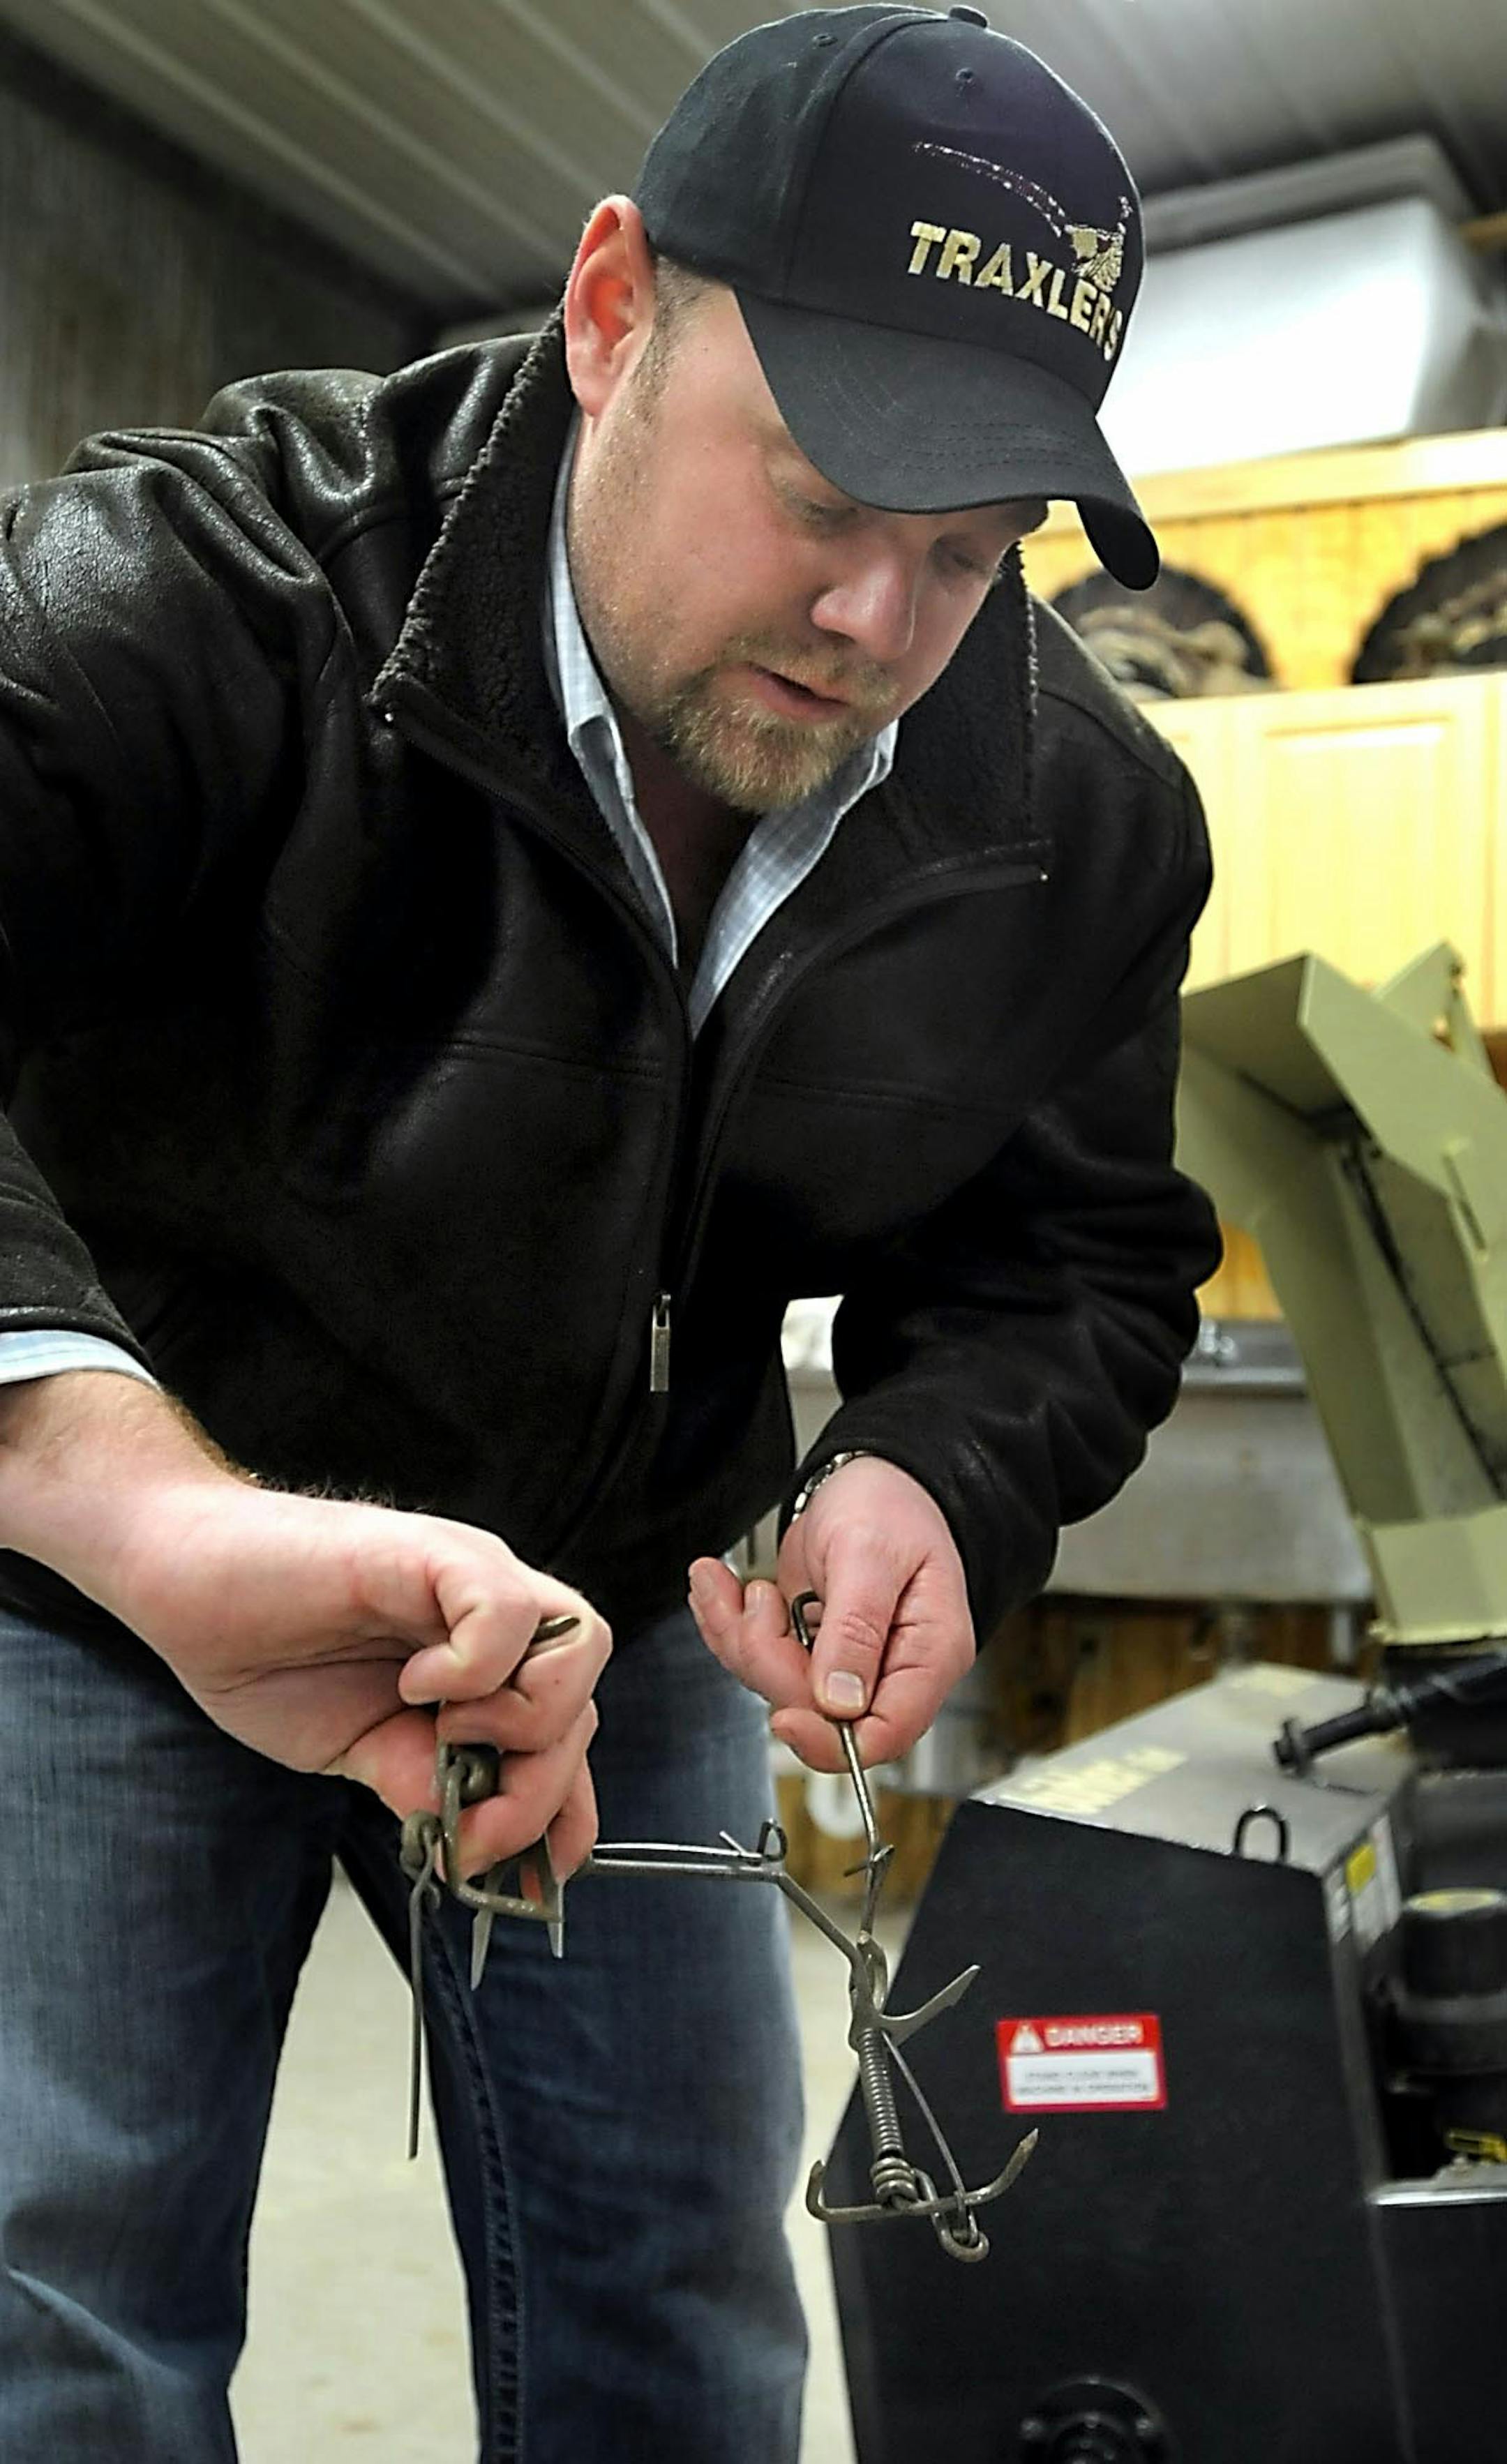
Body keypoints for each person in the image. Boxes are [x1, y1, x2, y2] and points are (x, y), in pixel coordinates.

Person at [0, 6, 1218, 2458]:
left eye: (974, 548)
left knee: (682, 2311)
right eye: (827, 491)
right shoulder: (191, 595)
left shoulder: (1073, 826)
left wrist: (929, 1472)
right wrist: (109, 1492)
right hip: (116, 1597)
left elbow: (1068, 1264)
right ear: (609, 308)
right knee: (71, 2324)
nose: (883, 622)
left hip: (613, 1597)